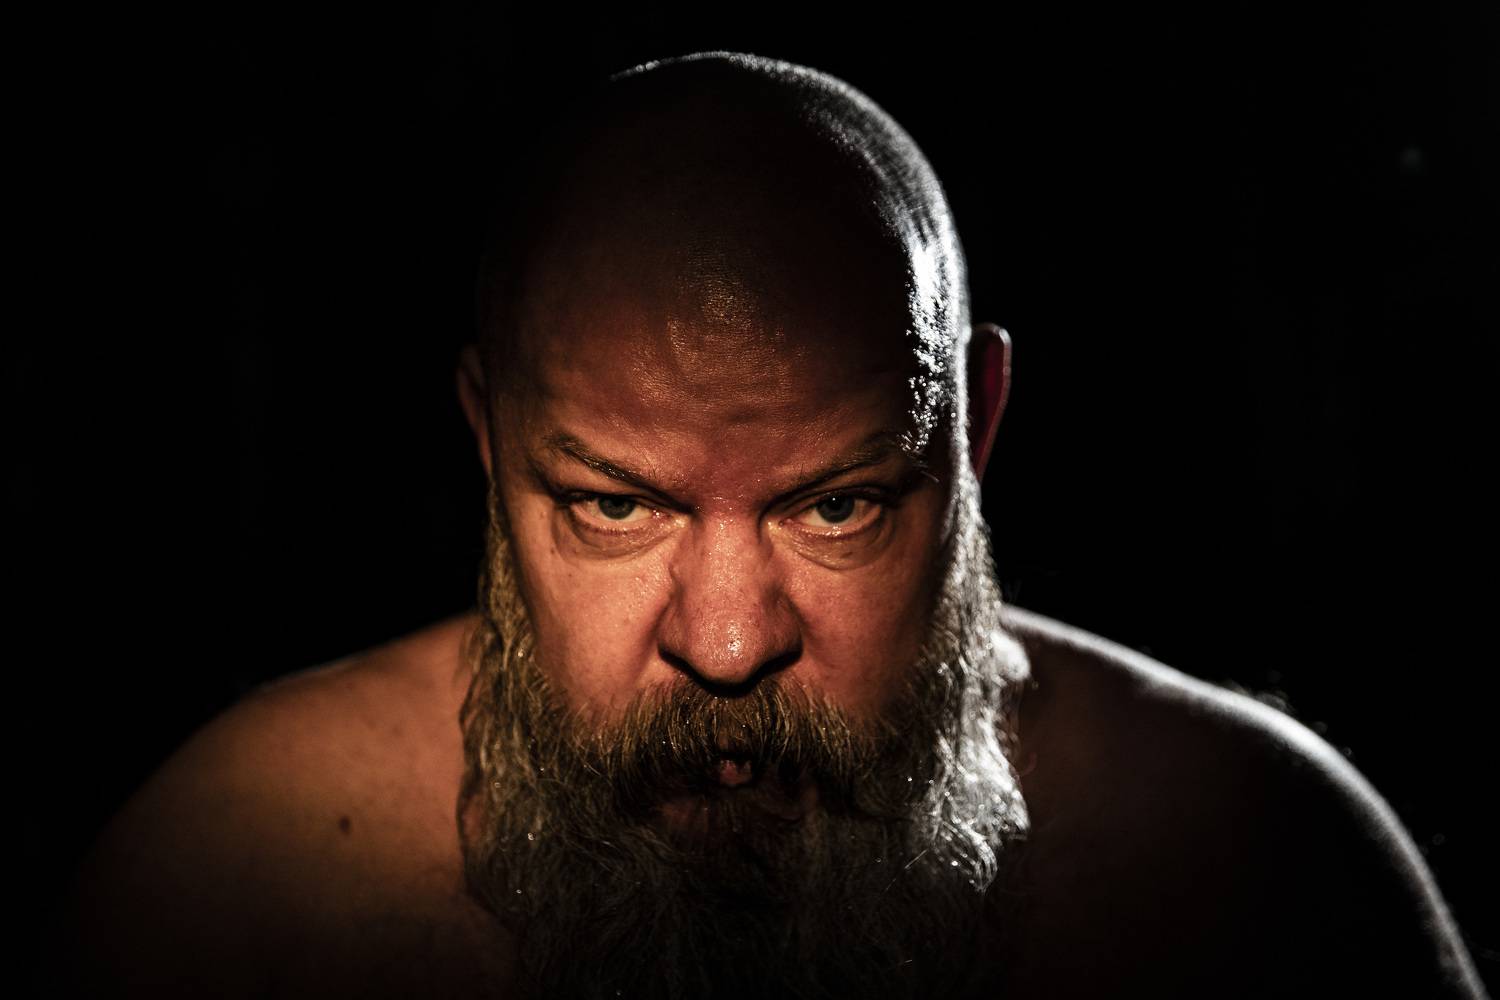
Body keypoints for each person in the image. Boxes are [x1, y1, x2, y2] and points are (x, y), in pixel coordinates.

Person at [59, 51, 1487, 999]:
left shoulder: (1257, 875)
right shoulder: (237, 894)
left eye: (839, 505)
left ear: (973, 434)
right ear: (489, 441)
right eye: (616, 505)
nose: (731, 643)